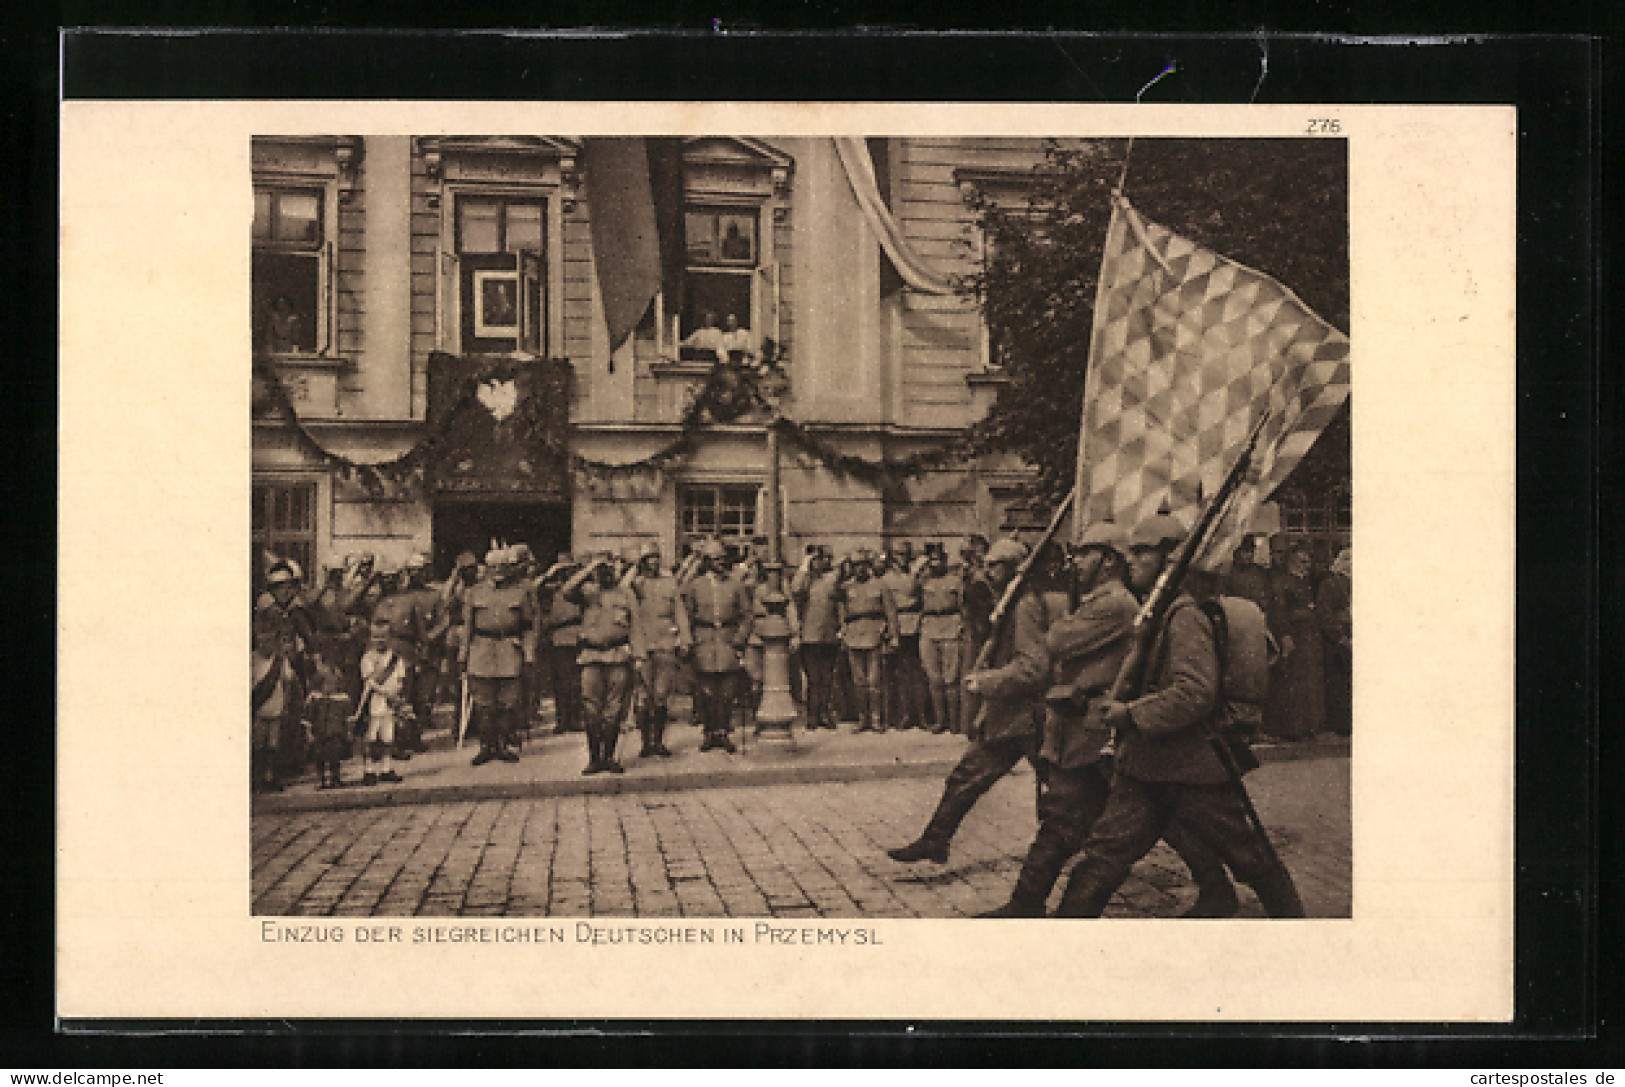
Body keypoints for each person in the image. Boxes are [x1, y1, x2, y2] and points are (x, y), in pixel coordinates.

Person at [1052, 515, 1306, 918]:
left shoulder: (1185, 615)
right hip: (1147, 767)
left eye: (1142, 551)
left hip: (1191, 769)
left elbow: (1194, 692)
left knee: (1251, 859)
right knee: (1102, 858)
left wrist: (1129, 714)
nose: (1130, 559)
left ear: (1170, 558)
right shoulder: (1158, 611)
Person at [888, 537, 1049, 865]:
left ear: (1014, 568)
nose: (987, 571)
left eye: (995, 565)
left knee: (1060, 791)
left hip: (1032, 718)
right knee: (966, 775)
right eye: (987, 564)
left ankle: (1057, 854)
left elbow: (1032, 667)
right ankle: (936, 840)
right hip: (1009, 717)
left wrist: (987, 683)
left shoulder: (1025, 605)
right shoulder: (1007, 601)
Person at [563, 554, 644, 775]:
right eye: (602, 569)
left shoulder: (626, 593)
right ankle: (594, 758)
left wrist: (639, 656)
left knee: (614, 710)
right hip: (591, 657)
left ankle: (609, 757)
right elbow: (566, 591)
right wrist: (590, 567)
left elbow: (636, 625)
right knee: (591, 709)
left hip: (618, 656)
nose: (606, 573)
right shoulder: (588, 592)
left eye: (610, 568)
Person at [460, 546, 537, 766]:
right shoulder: (473, 592)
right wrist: (463, 654)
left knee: (508, 703)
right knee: (484, 704)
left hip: (509, 649)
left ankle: (503, 745)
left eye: (503, 566)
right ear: (486, 568)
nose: (498, 571)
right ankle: (486, 747)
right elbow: (467, 627)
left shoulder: (520, 593)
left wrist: (528, 654)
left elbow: (528, 627)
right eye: (494, 567)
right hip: (481, 650)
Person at [682, 539, 753, 753]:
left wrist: (740, 638)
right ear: (707, 562)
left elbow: (747, 615)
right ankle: (709, 733)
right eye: (716, 560)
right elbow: (686, 615)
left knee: (727, 692)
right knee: (706, 692)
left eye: (723, 559)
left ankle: (723, 732)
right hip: (703, 640)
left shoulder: (736, 585)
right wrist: (689, 641)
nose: (721, 563)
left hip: (728, 640)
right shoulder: (696, 586)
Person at [626, 543, 692, 758]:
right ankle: (645, 743)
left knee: (661, 695)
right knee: (643, 697)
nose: (653, 562)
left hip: (665, 644)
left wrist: (685, 640)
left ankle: (658, 742)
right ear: (642, 561)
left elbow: (680, 612)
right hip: (642, 646)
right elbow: (623, 588)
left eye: (656, 557)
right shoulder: (634, 584)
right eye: (648, 558)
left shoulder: (669, 583)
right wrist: (634, 570)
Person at [1265, 545, 1325, 739]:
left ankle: (1308, 726)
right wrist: (1285, 636)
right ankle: (1292, 728)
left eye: (1308, 562)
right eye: (1302, 562)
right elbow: (1279, 612)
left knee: (1308, 681)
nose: (1306, 566)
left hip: (1308, 637)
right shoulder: (1283, 583)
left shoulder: (1305, 583)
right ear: (1292, 563)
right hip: (1295, 636)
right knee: (1293, 681)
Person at [838, 549, 900, 733]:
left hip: (875, 634)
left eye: (863, 565)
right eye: (856, 566)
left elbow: (891, 612)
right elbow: (842, 613)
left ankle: (876, 720)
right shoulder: (847, 587)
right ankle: (862, 719)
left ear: (869, 566)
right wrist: (843, 632)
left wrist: (894, 635)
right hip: (853, 635)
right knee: (858, 682)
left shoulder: (880, 586)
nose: (860, 570)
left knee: (874, 681)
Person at [251, 597, 303, 793]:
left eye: (269, 640)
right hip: (259, 709)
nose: (265, 644)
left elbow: (288, 680)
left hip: (276, 708)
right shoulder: (252, 660)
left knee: (273, 745)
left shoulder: (280, 661)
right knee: (258, 745)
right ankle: (257, 778)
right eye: (261, 640)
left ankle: (269, 776)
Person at [791, 546, 842, 730]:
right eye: (818, 559)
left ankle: (825, 714)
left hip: (829, 635)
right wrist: (804, 566)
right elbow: (795, 589)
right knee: (813, 679)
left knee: (827, 678)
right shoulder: (805, 581)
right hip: (810, 637)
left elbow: (840, 603)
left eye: (824, 559)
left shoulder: (832, 579)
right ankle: (813, 715)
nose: (821, 563)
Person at [916, 542, 965, 735]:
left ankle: (954, 722)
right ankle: (939, 720)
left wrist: (962, 626)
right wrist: (920, 566)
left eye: (939, 560)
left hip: (951, 625)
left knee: (951, 678)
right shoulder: (923, 581)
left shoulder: (955, 580)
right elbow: (911, 593)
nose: (935, 564)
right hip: (929, 627)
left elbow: (963, 605)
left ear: (945, 561)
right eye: (932, 560)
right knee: (933, 678)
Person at [353, 616, 408, 785]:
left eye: (384, 637)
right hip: (373, 703)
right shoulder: (367, 658)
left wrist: (396, 692)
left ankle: (386, 768)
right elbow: (369, 682)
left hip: (390, 704)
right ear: (371, 638)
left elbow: (400, 679)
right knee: (370, 738)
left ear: (390, 638)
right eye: (376, 637)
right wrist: (385, 691)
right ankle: (368, 770)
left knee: (388, 738)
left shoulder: (396, 659)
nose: (380, 641)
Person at [882, 545, 928, 730]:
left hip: (916, 625)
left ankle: (922, 715)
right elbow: (889, 609)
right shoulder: (886, 579)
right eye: (899, 554)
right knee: (901, 675)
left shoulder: (917, 575)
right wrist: (893, 634)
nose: (903, 558)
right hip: (899, 627)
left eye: (906, 555)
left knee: (918, 674)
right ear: (892, 558)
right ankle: (905, 714)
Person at [540, 553, 585, 735]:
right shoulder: (550, 590)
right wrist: (550, 574)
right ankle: (562, 719)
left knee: (576, 682)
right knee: (560, 682)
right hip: (558, 638)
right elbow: (536, 587)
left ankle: (574, 718)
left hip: (576, 637)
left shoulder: (578, 590)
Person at [1318, 546, 1352, 736]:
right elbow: (1325, 614)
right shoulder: (1330, 584)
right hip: (1337, 640)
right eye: (1348, 560)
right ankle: (1340, 724)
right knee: (1339, 682)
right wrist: (1340, 637)